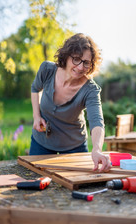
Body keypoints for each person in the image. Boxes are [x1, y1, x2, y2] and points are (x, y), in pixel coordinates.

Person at [29, 33, 111, 173]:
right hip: (42, 142)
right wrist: (37, 116)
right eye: (76, 59)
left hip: (74, 146)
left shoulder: (90, 90)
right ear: (66, 56)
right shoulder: (47, 70)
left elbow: (97, 121)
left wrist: (97, 149)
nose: (80, 67)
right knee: (33, 180)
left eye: (86, 62)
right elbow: (35, 89)